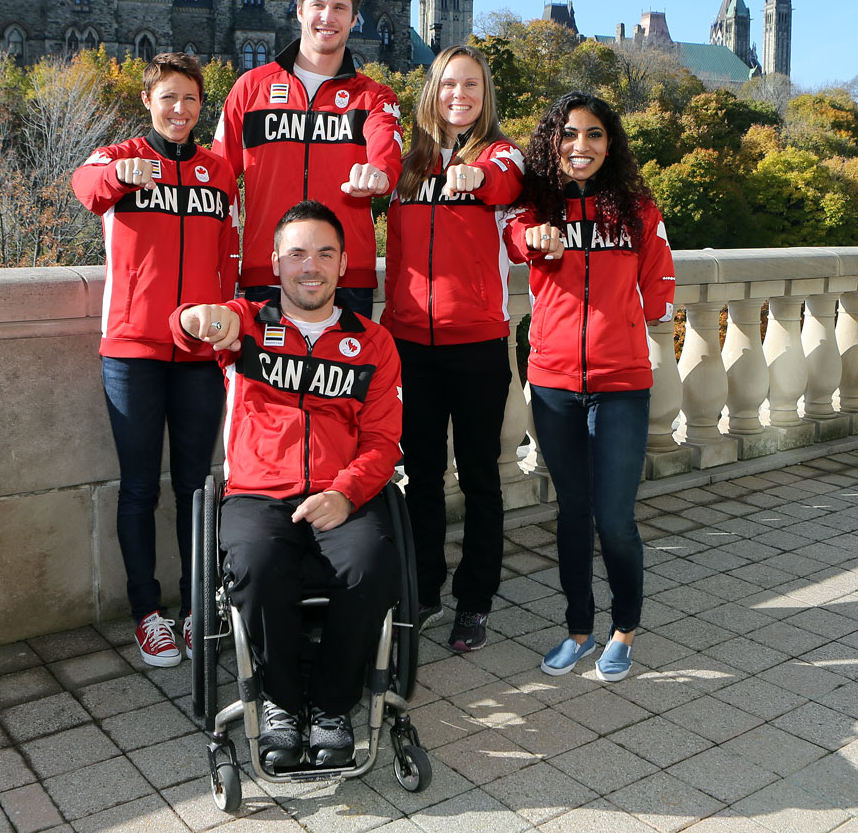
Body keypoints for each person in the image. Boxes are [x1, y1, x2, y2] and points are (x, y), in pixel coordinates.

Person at [172, 200, 402, 771]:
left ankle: (330, 706)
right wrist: (198, 320)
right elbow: (195, 328)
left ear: (344, 263)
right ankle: (280, 702)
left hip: (340, 491)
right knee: (256, 564)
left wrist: (345, 493)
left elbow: (383, 442)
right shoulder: (248, 322)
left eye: (325, 253)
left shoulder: (373, 343)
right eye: (297, 253)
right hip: (257, 492)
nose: (310, 266)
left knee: (372, 565)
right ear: (274, 262)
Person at [72, 51, 239, 669]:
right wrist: (124, 177)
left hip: (199, 356)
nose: (181, 109)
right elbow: (85, 189)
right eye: (169, 97)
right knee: (140, 486)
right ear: (149, 101)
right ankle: (147, 613)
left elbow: (229, 257)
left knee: (198, 487)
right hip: (133, 352)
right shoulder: (117, 159)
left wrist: (228, 327)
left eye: (192, 100)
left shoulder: (218, 172)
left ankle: (197, 607)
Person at [503, 91, 675, 682]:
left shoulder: (635, 206)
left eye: (595, 134)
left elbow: (658, 279)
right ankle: (579, 629)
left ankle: (624, 629)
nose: (582, 146)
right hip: (552, 382)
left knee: (615, 516)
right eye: (570, 134)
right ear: (554, 141)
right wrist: (535, 241)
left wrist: (653, 311)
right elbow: (515, 241)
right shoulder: (535, 207)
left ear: (611, 143)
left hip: (622, 381)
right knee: (573, 514)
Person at [381, 45, 525, 652]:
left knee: (479, 476)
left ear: (484, 94)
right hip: (410, 344)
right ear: (432, 91)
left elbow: (510, 182)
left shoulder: (499, 153)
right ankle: (426, 586)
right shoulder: (406, 163)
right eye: (448, 84)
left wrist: (478, 177)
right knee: (420, 474)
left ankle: (476, 599)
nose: (459, 95)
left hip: (477, 346)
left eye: (470, 85)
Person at [213, 0, 403, 317]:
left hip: (347, 281)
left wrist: (378, 171)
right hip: (266, 273)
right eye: (318, 5)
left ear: (353, 18)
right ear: (300, 10)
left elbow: (386, 150)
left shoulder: (375, 96)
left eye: (339, 8)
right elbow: (216, 180)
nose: (327, 17)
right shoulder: (250, 89)